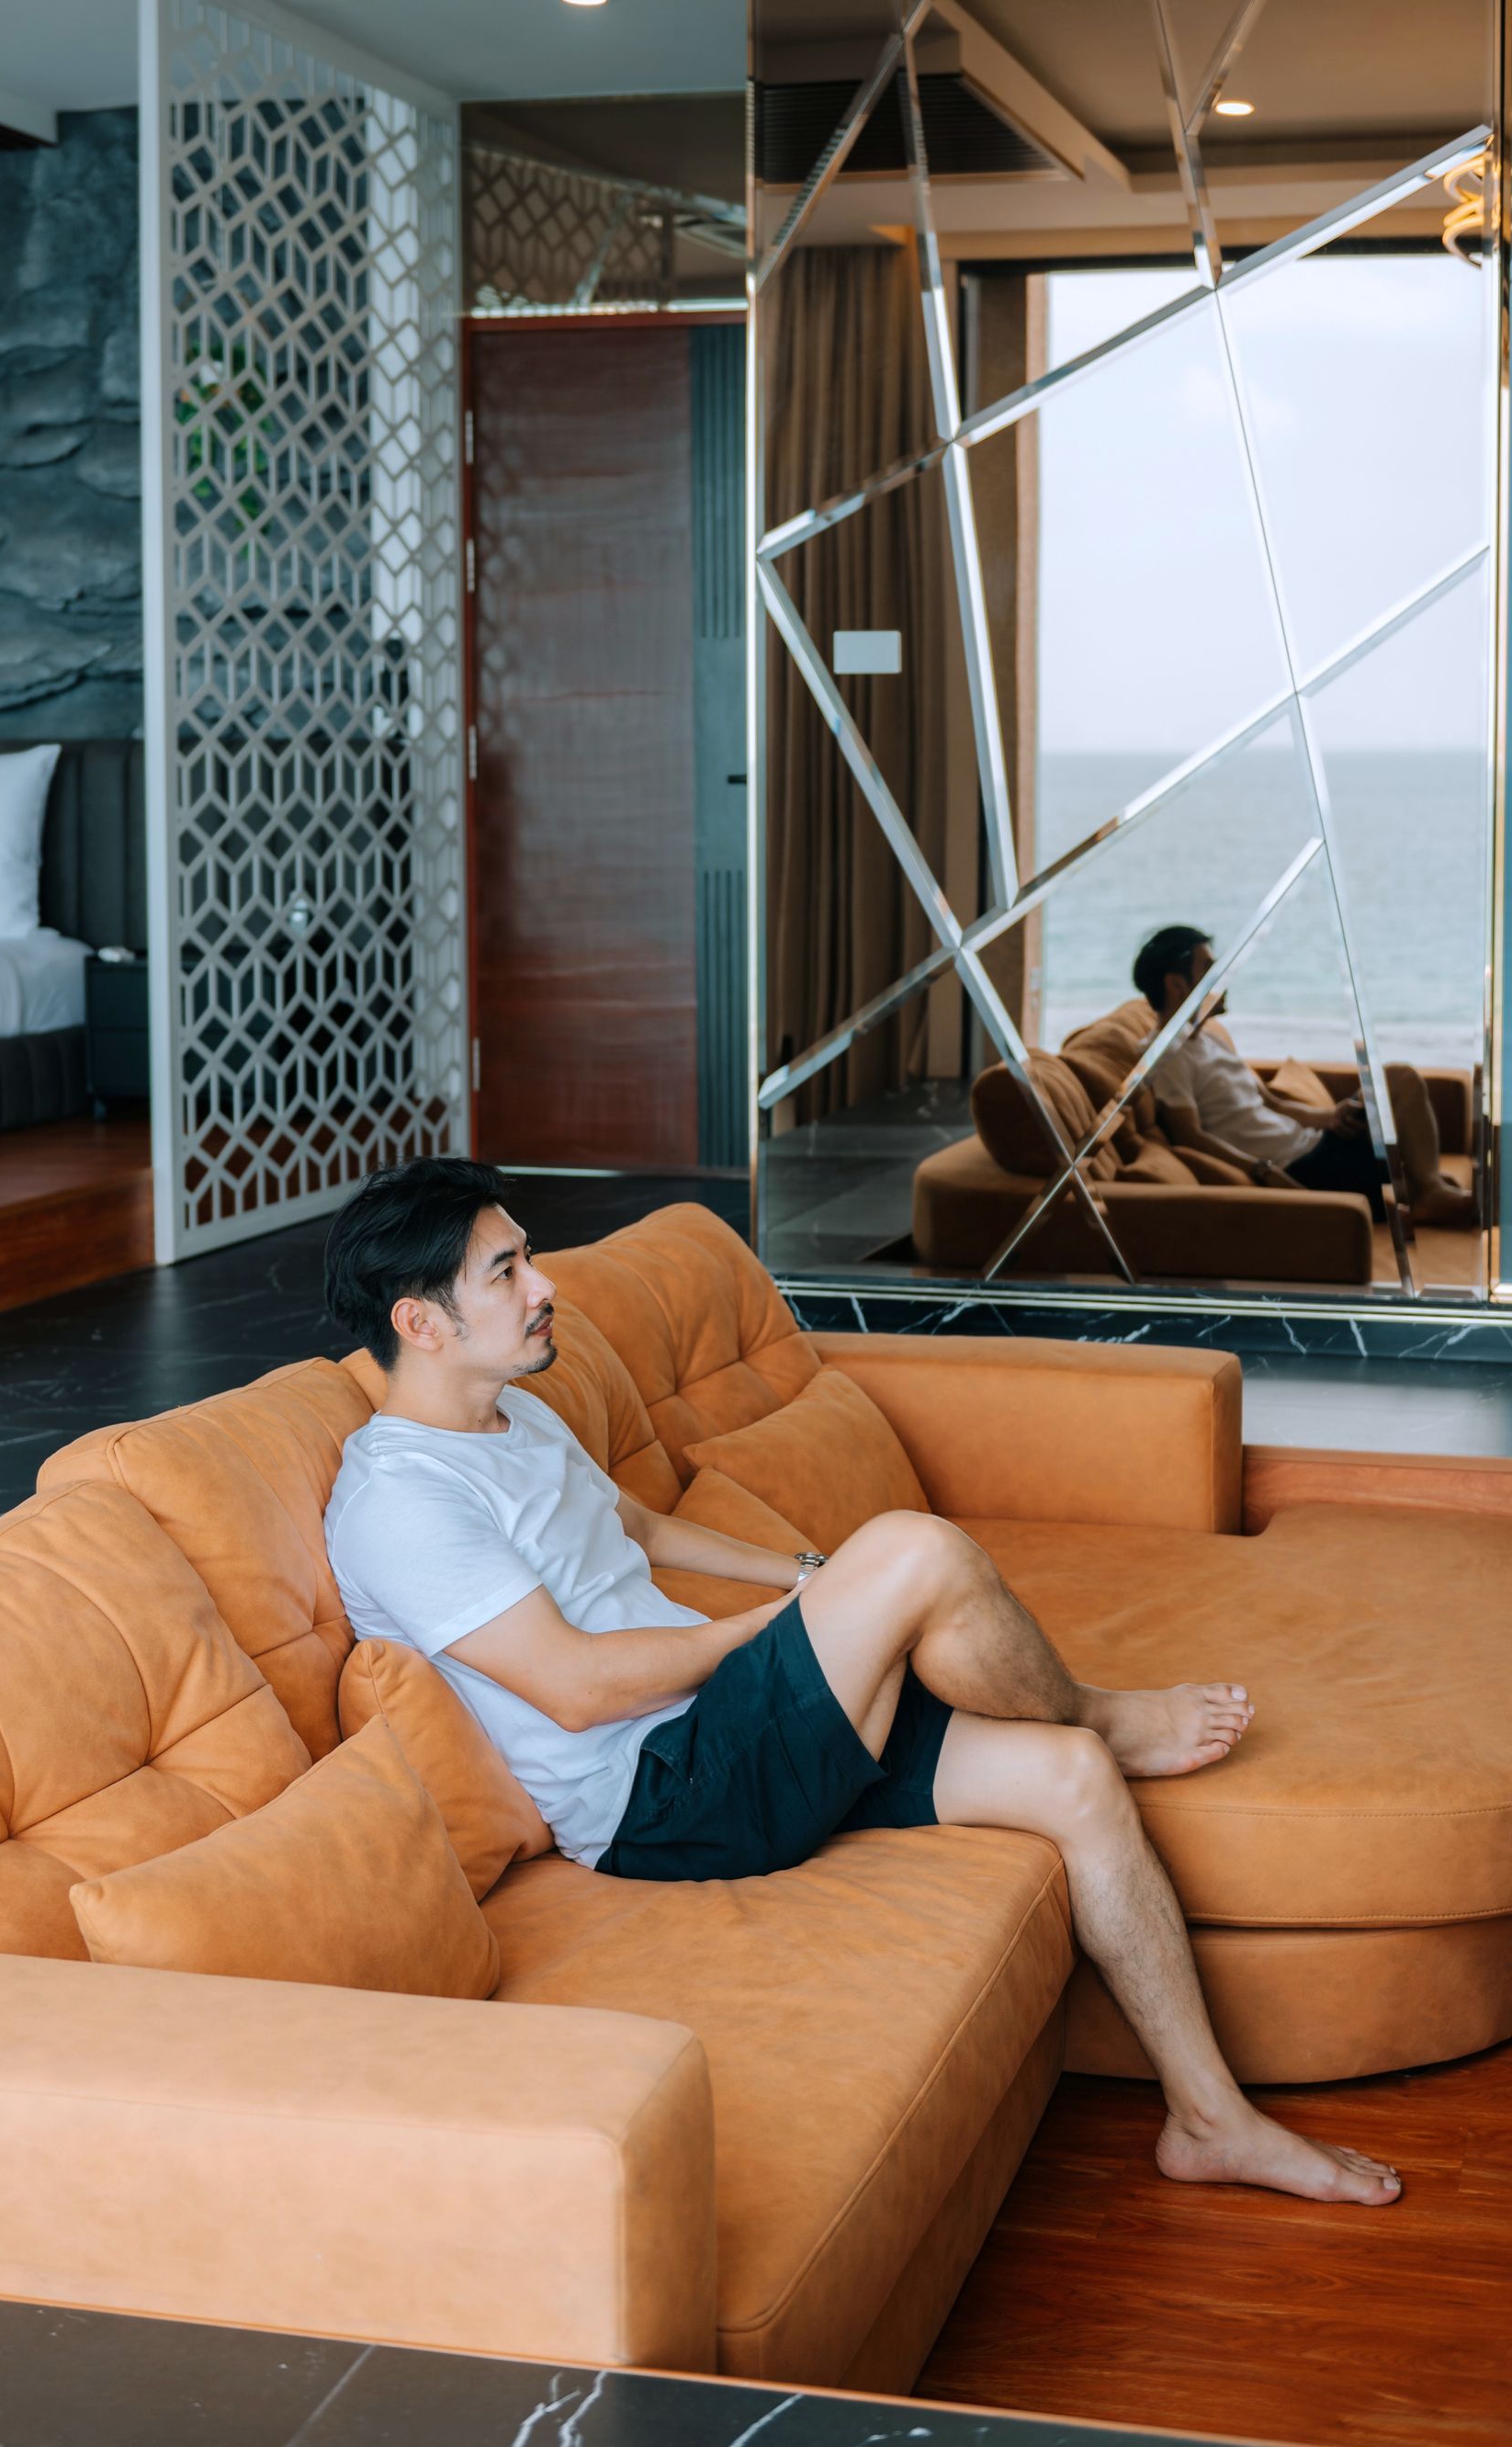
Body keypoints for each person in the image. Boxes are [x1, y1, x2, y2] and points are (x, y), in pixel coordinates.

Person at [322, 1153, 1401, 2209]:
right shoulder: (402, 1500)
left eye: (529, 1257)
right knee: (919, 1553)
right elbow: (577, 1689)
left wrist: (809, 1576)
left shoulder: (517, 1410)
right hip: (660, 1792)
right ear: (421, 1322)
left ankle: (1211, 2118)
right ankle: (1107, 1711)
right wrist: (773, 1626)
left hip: (725, 1725)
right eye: (506, 1271)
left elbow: (639, 1526)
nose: (545, 1285)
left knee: (1067, 1777)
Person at [1134, 923, 1475, 1229]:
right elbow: (1188, 1136)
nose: (1223, 976)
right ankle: (1428, 1194)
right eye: (1209, 968)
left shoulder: (1206, 1038)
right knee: (1400, 1081)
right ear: (1176, 984)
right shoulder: (1168, 1056)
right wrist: (1264, 1170)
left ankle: (1426, 1190)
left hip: (1315, 1145)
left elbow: (1272, 1102)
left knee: (1395, 1082)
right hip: (1304, 1168)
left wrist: (1331, 1116)